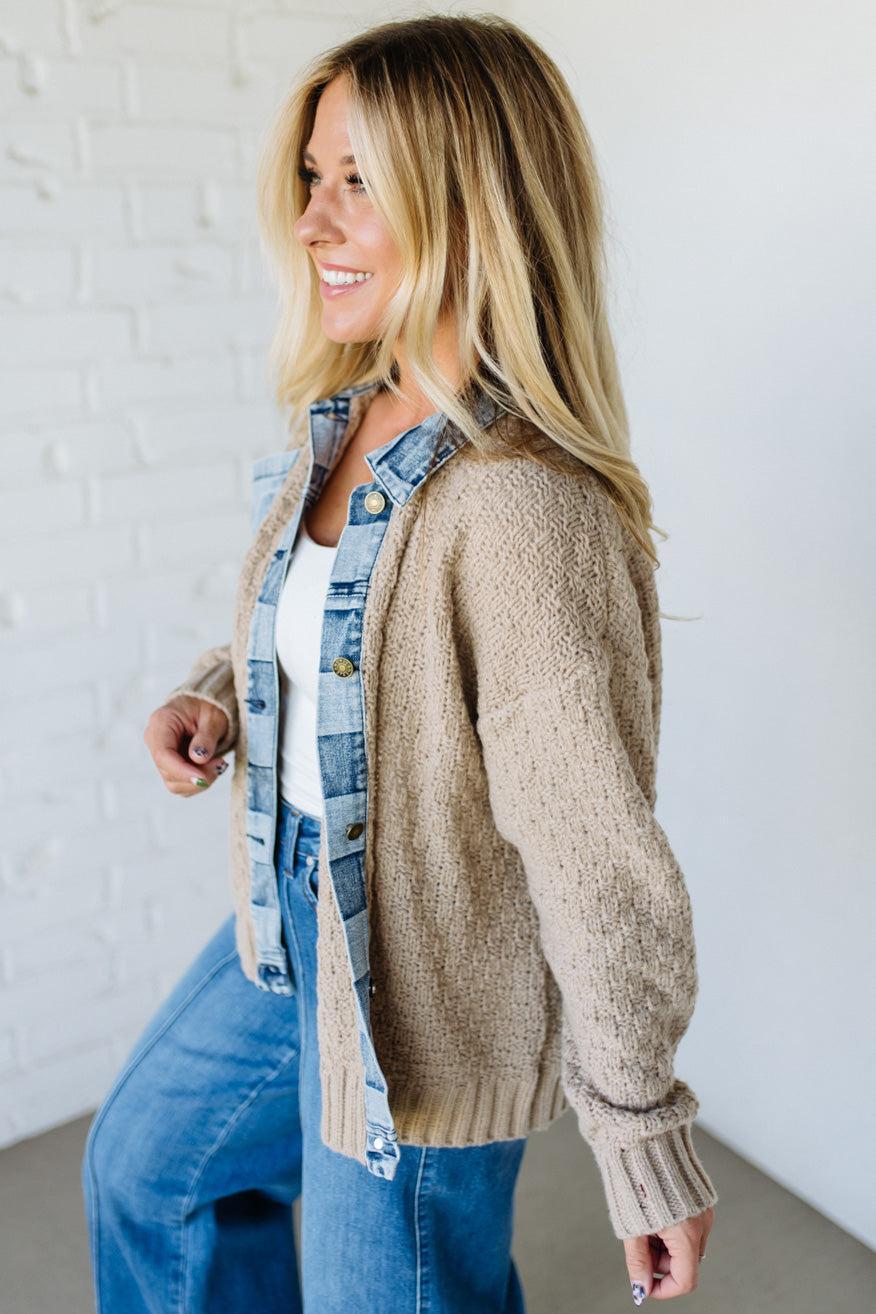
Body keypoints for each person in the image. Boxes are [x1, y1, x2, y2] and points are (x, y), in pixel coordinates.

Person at [81, 13, 718, 1312]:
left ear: (473, 203)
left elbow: (597, 855)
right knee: (147, 1170)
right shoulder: (348, 417)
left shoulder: (522, 507)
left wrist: (642, 1130)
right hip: (289, 909)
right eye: (314, 177)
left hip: (424, 994)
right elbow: (345, 633)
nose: (312, 221)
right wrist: (219, 693)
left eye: (358, 183)